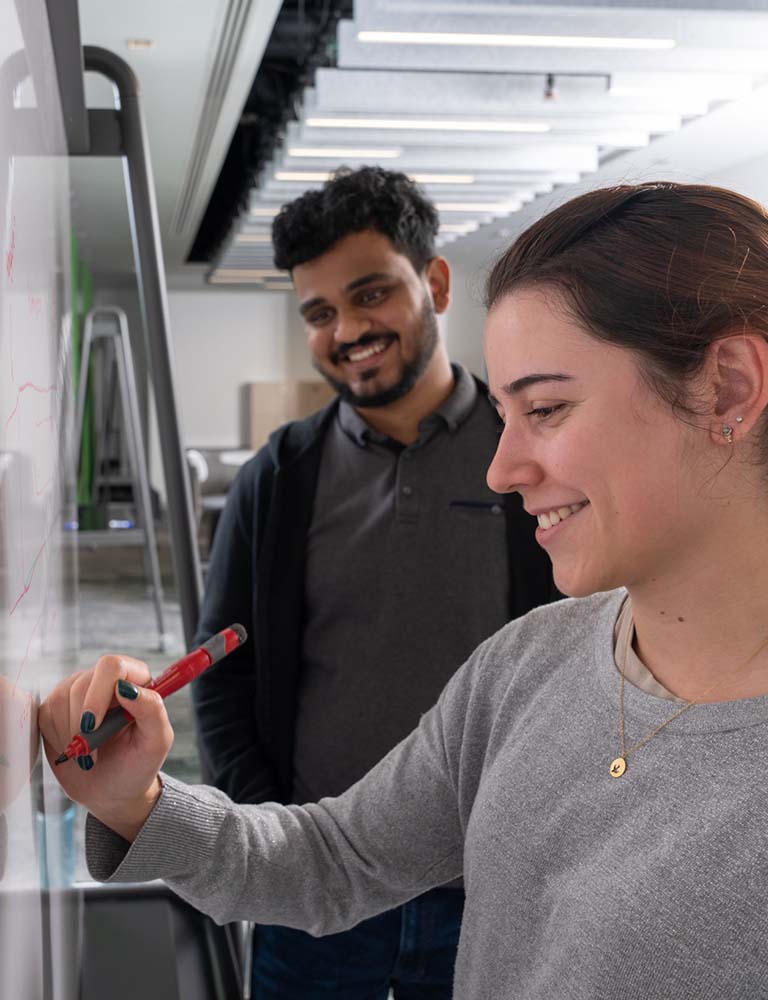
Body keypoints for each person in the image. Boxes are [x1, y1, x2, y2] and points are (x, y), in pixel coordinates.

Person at [40, 181, 768, 999]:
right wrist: (135, 799)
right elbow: (337, 857)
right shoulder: (523, 666)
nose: (502, 469)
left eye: (550, 408)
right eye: (507, 411)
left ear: (730, 388)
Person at [189, 166, 556, 997]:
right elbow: (221, 673)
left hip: (493, 883)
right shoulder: (278, 480)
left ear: (434, 283)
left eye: (371, 295)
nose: (348, 329)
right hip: (318, 893)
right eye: (320, 313)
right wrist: (269, 834)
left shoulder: (530, 455)